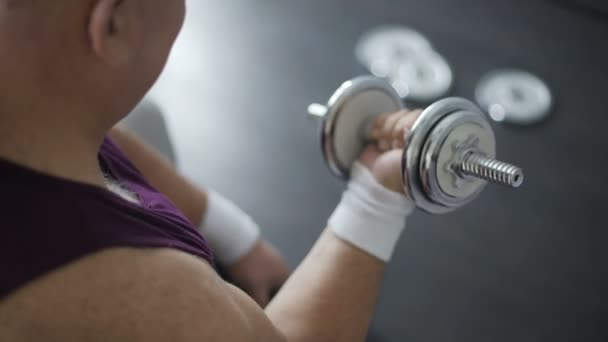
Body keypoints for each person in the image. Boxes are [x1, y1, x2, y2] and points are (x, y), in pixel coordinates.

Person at [0, 1, 421, 341]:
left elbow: (105, 136)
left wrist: (234, 235)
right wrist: (377, 194)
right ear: (113, 24)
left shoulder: (37, 103)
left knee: (144, 118)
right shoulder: (152, 294)